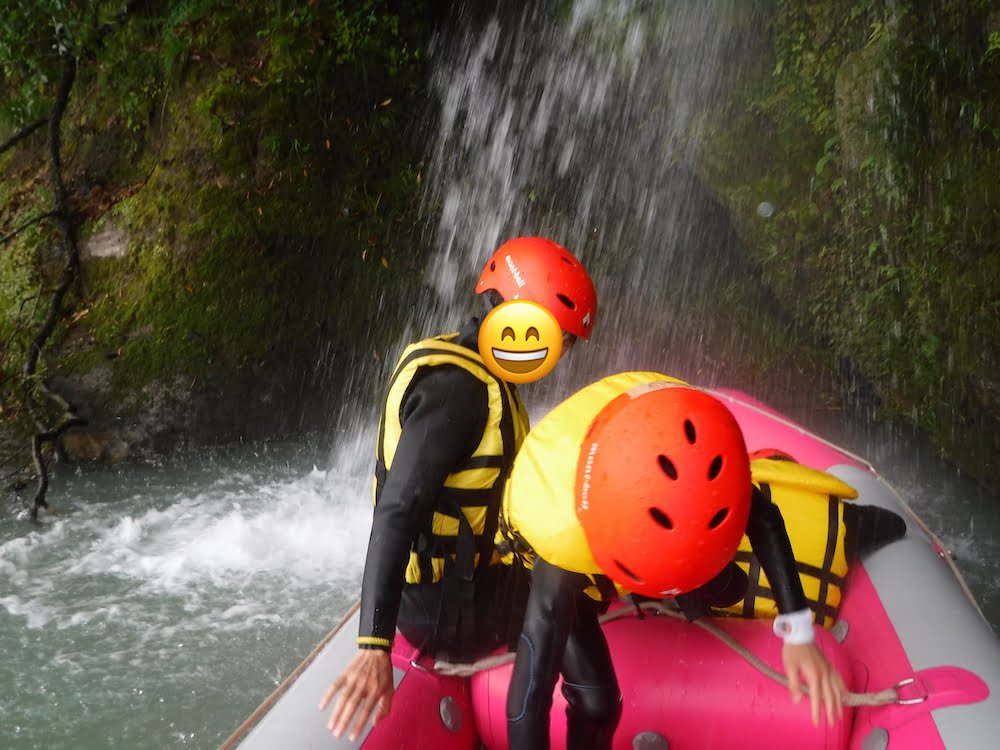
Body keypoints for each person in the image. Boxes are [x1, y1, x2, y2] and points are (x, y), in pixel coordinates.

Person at [319, 236, 598, 741]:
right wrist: (373, 645)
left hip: (460, 587)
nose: (559, 356)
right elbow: (397, 510)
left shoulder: (478, 368)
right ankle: (577, 706)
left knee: (575, 569)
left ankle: (590, 696)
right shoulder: (459, 390)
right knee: (563, 581)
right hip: (444, 609)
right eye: (559, 339)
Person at [497, 372, 848, 750]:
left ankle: (694, 576)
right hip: (557, 530)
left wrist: (798, 629)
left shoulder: (701, 451)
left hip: (642, 441)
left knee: (730, 588)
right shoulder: (561, 547)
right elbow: (527, 703)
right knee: (599, 704)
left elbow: (762, 516)